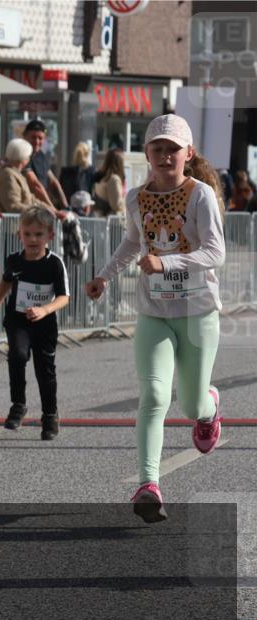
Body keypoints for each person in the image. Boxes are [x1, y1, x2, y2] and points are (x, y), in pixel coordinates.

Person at [84, 114, 225, 523]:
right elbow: (132, 241)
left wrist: (167, 263)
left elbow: (215, 252)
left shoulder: (200, 196)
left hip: (197, 311)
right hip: (154, 313)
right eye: (157, 149)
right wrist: (104, 277)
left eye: (173, 149)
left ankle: (209, 408)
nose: (165, 156)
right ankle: (148, 485)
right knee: (154, 397)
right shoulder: (136, 198)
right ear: (147, 154)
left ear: (188, 154)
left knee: (191, 403)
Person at [0, 207, 70, 441]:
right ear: (19, 235)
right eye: (28, 234)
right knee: (17, 355)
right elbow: (5, 283)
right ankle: (18, 404)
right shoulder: (14, 260)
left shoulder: (54, 264)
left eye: (38, 235)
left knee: (45, 371)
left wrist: (45, 309)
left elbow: (64, 297)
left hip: (44, 324)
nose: (33, 240)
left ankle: (50, 415)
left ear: (49, 236)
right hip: (17, 320)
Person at [0, 138, 63, 218]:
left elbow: (32, 199)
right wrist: (39, 212)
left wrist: (52, 210)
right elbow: (13, 206)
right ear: (23, 158)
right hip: (5, 228)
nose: (29, 159)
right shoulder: (8, 176)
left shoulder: (15, 174)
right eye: (28, 156)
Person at [22, 119, 69, 209]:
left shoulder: (41, 155)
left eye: (40, 138)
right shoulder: (23, 155)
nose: (37, 142)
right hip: (28, 207)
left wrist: (66, 206)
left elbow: (53, 181)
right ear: (25, 136)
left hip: (41, 206)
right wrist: (53, 209)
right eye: (33, 137)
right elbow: (35, 185)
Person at [92, 148, 126, 217]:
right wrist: (127, 200)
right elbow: (116, 205)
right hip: (113, 224)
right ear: (120, 163)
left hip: (103, 221)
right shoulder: (114, 179)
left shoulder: (103, 179)